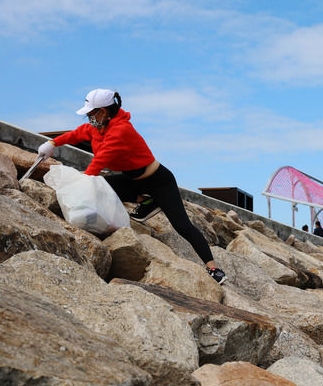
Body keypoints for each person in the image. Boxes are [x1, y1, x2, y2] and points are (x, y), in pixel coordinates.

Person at [37, 88, 228, 285]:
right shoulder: (97, 127)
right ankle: (146, 201)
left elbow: (96, 166)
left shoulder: (120, 132)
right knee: (105, 186)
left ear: (102, 112)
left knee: (182, 225)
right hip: (133, 180)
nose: (88, 118)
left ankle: (213, 268)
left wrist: (75, 192)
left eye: (90, 113)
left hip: (159, 181)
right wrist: (52, 143)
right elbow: (76, 134)